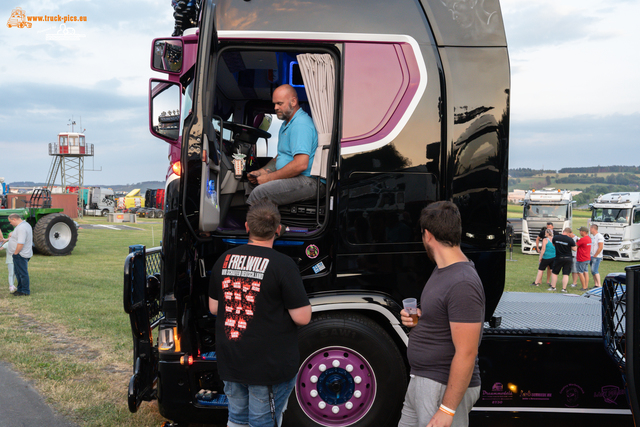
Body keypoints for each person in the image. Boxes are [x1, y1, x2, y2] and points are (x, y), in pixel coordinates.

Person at [208, 198, 312, 427]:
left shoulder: (224, 260)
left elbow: (214, 307)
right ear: (277, 229)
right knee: (262, 422)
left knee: (236, 419)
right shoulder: (283, 265)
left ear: (247, 227)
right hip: (268, 367)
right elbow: (302, 317)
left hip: (232, 361)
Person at [398, 201, 484, 427]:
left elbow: (467, 352)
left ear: (427, 235)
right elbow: (443, 318)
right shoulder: (443, 270)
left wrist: (447, 409)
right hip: (423, 380)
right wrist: (417, 318)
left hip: (440, 386)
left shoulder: (462, 282)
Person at [246, 84, 322, 206]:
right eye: (274, 104)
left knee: (260, 193)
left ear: (293, 101)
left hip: (309, 181)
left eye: (279, 104)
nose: (275, 108)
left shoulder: (300, 124)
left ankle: (257, 225)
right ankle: (264, 222)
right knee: (253, 184)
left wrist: (269, 178)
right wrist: (263, 171)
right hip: (298, 178)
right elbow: (280, 156)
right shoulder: (286, 124)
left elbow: (300, 164)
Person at [7, 214, 32, 296]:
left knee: (22, 273)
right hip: (20, 253)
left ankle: (25, 291)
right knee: (18, 273)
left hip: (20, 254)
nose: (10, 223)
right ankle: (20, 289)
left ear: (14, 219)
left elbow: (21, 242)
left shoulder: (21, 228)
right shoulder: (25, 225)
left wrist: (16, 253)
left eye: (10, 222)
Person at [548, 227, 576, 293]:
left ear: (563, 231)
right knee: (566, 274)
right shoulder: (570, 240)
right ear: (569, 233)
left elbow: (554, 244)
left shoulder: (556, 237)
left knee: (555, 273)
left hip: (558, 257)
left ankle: (553, 287)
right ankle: (564, 288)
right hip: (568, 258)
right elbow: (575, 249)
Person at [575, 226, 591, 290]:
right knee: (586, 272)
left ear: (583, 232)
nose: (579, 232)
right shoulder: (589, 238)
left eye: (580, 231)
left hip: (581, 258)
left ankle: (584, 287)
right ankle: (586, 286)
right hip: (587, 258)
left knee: (580, 272)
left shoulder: (582, 239)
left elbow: (575, 246)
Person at [590, 224, 604, 288]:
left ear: (593, 229)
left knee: (595, 270)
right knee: (592, 271)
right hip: (592, 255)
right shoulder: (593, 236)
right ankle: (596, 284)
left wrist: (595, 255)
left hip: (596, 256)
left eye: (590, 228)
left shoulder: (599, 236)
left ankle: (599, 284)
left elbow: (600, 247)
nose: (590, 230)